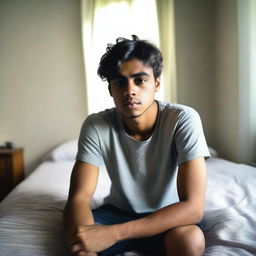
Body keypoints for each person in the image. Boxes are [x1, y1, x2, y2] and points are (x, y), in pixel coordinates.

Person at [64, 35, 210, 256]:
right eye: (120, 82)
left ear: (157, 83)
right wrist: (87, 237)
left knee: (191, 240)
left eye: (140, 80)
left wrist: (113, 234)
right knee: (78, 240)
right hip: (117, 213)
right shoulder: (97, 125)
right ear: (110, 89)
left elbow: (193, 207)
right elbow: (79, 197)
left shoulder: (183, 118)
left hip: (168, 217)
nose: (129, 91)